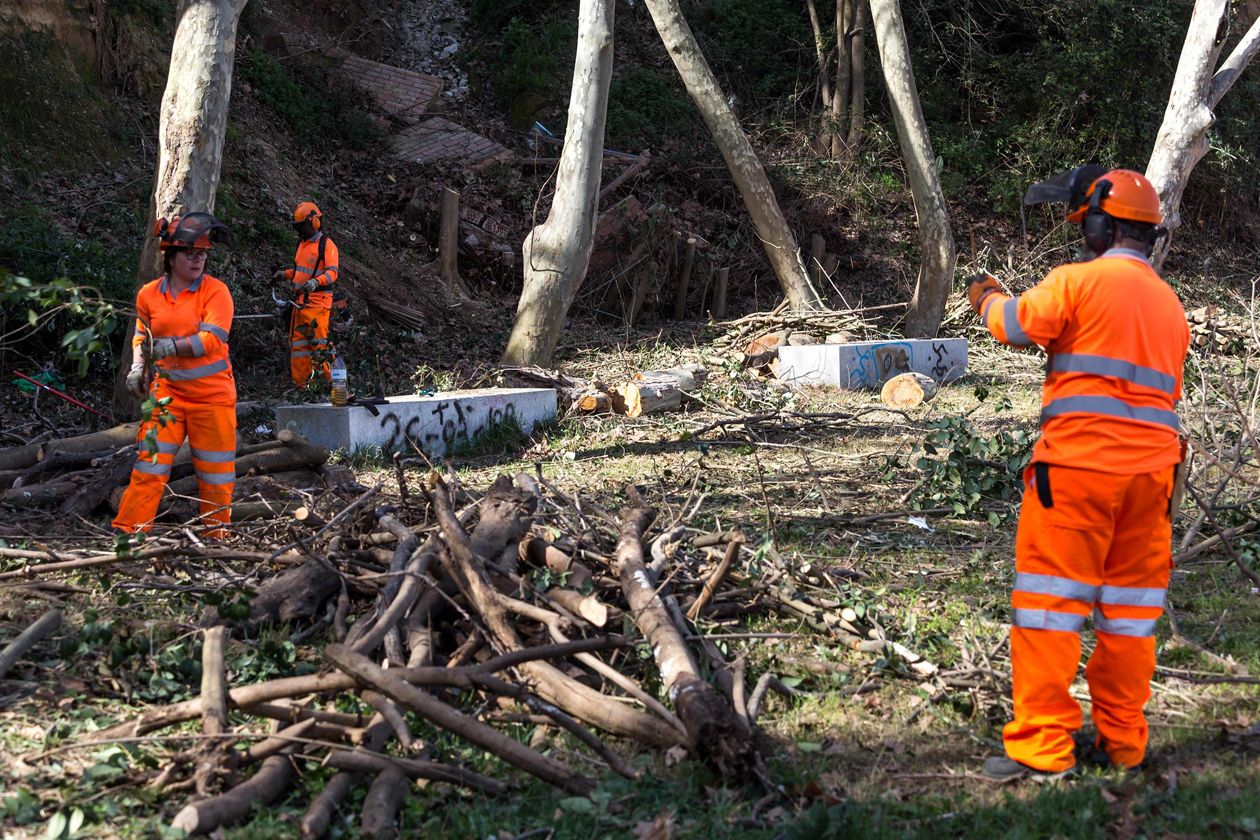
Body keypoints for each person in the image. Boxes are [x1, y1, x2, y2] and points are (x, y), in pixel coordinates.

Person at [967, 167, 1190, 782]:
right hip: (1152, 482)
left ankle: (1042, 748)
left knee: (1050, 609)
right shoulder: (1171, 307)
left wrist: (985, 293)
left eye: (1083, 225)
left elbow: (1014, 325)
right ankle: (1123, 742)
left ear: (1101, 224)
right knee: (1130, 613)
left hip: (1076, 472)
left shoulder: (1078, 281)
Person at [113, 213, 237, 539]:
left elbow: (212, 339)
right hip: (167, 394)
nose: (198, 260)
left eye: (203, 254)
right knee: (148, 466)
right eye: (190, 254)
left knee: (215, 474)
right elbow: (142, 335)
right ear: (171, 256)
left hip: (212, 399)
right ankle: (129, 533)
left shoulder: (216, 292)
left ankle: (216, 539)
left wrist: (171, 347)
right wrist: (138, 367)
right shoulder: (148, 295)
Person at [275, 201, 339, 387]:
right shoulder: (301, 244)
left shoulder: (327, 245)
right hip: (300, 304)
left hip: (318, 304)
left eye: (302, 227)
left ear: (314, 222)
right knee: (299, 348)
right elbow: (300, 271)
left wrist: (315, 282)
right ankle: (302, 387)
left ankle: (335, 386)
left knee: (320, 345)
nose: (299, 231)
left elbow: (332, 272)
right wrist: (284, 275)